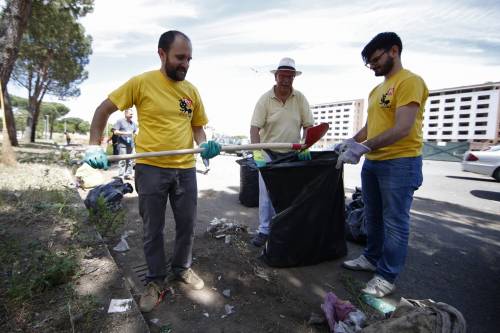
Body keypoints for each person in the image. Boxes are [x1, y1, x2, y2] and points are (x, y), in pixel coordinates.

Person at [83, 30, 221, 312]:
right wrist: (93, 146)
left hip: (184, 169)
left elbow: (197, 127)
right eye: (180, 57)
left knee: (186, 225)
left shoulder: (191, 91)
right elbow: (102, 110)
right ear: (162, 54)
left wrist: (204, 145)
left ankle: (182, 267)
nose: (185, 64)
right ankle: (156, 280)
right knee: (152, 229)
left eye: (189, 59)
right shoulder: (141, 83)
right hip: (151, 169)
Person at [339, 32, 428, 297]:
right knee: (373, 217)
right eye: (369, 63)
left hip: (400, 162)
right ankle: (370, 258)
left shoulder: (409, 82)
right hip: (374, 163)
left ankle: (387, 276)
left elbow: (402, 128)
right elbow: (370, 127)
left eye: (376, 59)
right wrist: (350, 142)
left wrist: (363, 148)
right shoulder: (376, 90)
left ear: (394, 50)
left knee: (395, 222)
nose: (373, 66)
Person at [249, 57, 314, 247]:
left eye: (290, 76)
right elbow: (254, 128)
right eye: (283, 75)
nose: (286, 79)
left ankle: (283, 228)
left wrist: (305, 145)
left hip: (291, 154)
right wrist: (257, 152)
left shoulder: (300, 98)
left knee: (288, 194)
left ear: (294, 77)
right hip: (269, 153)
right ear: (276, 76)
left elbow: (308, 125)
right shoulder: (265, 99)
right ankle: (264, 230)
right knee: (266, 196)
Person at [113, 109, 137, 179]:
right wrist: (125, 133)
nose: (132, 115)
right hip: (122, 145)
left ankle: (128, 174)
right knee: (122, 160)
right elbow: (115, 132)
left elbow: (135, 132)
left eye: (132, 114)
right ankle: (121, 175)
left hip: (131, 145)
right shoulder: (120, 121)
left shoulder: (133, 123)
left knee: (130, 160)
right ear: (125, 114)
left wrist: (136, 133)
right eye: (130, 114)